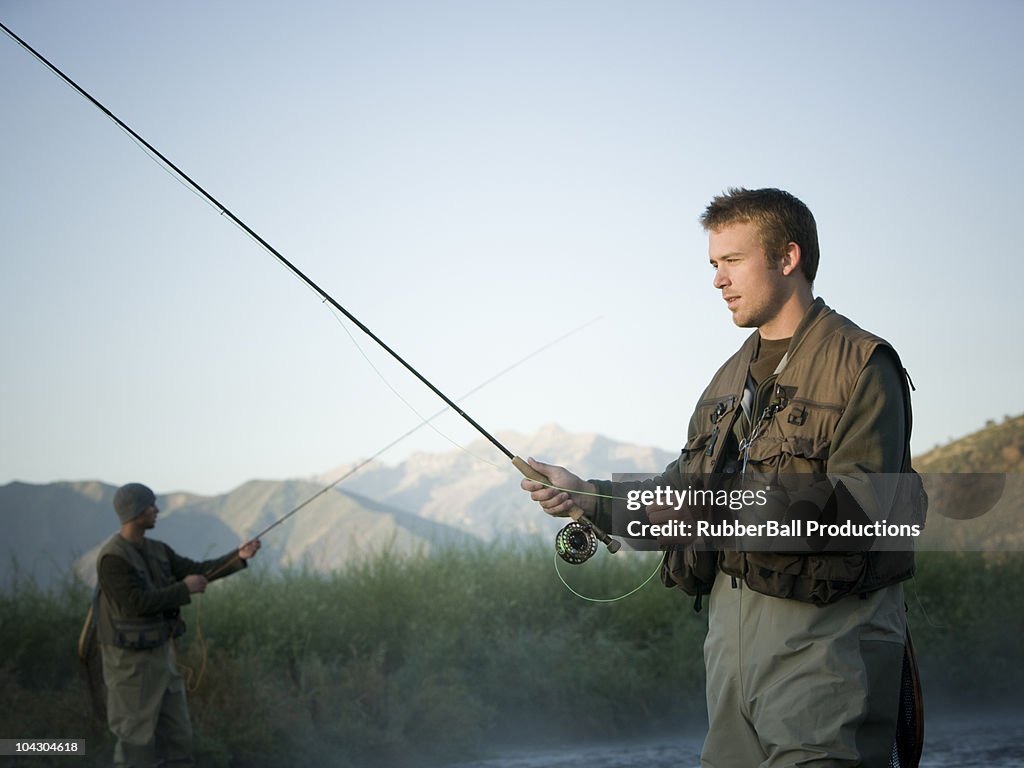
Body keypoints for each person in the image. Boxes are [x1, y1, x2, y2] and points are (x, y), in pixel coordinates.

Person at [521, 188, 922, 767]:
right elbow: (678, 493)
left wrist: (720, 511)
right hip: (730, 656)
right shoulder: (725, 381)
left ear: (788, 258)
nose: (717, 280)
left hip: (826, 647)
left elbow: (866, 510)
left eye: (732, 261)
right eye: (714, 264)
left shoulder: (862, 363)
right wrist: (586, 495)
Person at [94, 482, 261, 767]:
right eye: (151, 505)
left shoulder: (158, 550)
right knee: (135, 738)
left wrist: (238, 557)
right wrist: (183, 590)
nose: (157, 510)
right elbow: (134, 604)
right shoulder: (112, 558)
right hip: (129, 664)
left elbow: (198, 570)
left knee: (177, 736)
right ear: (136, 512)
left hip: (162, 655)